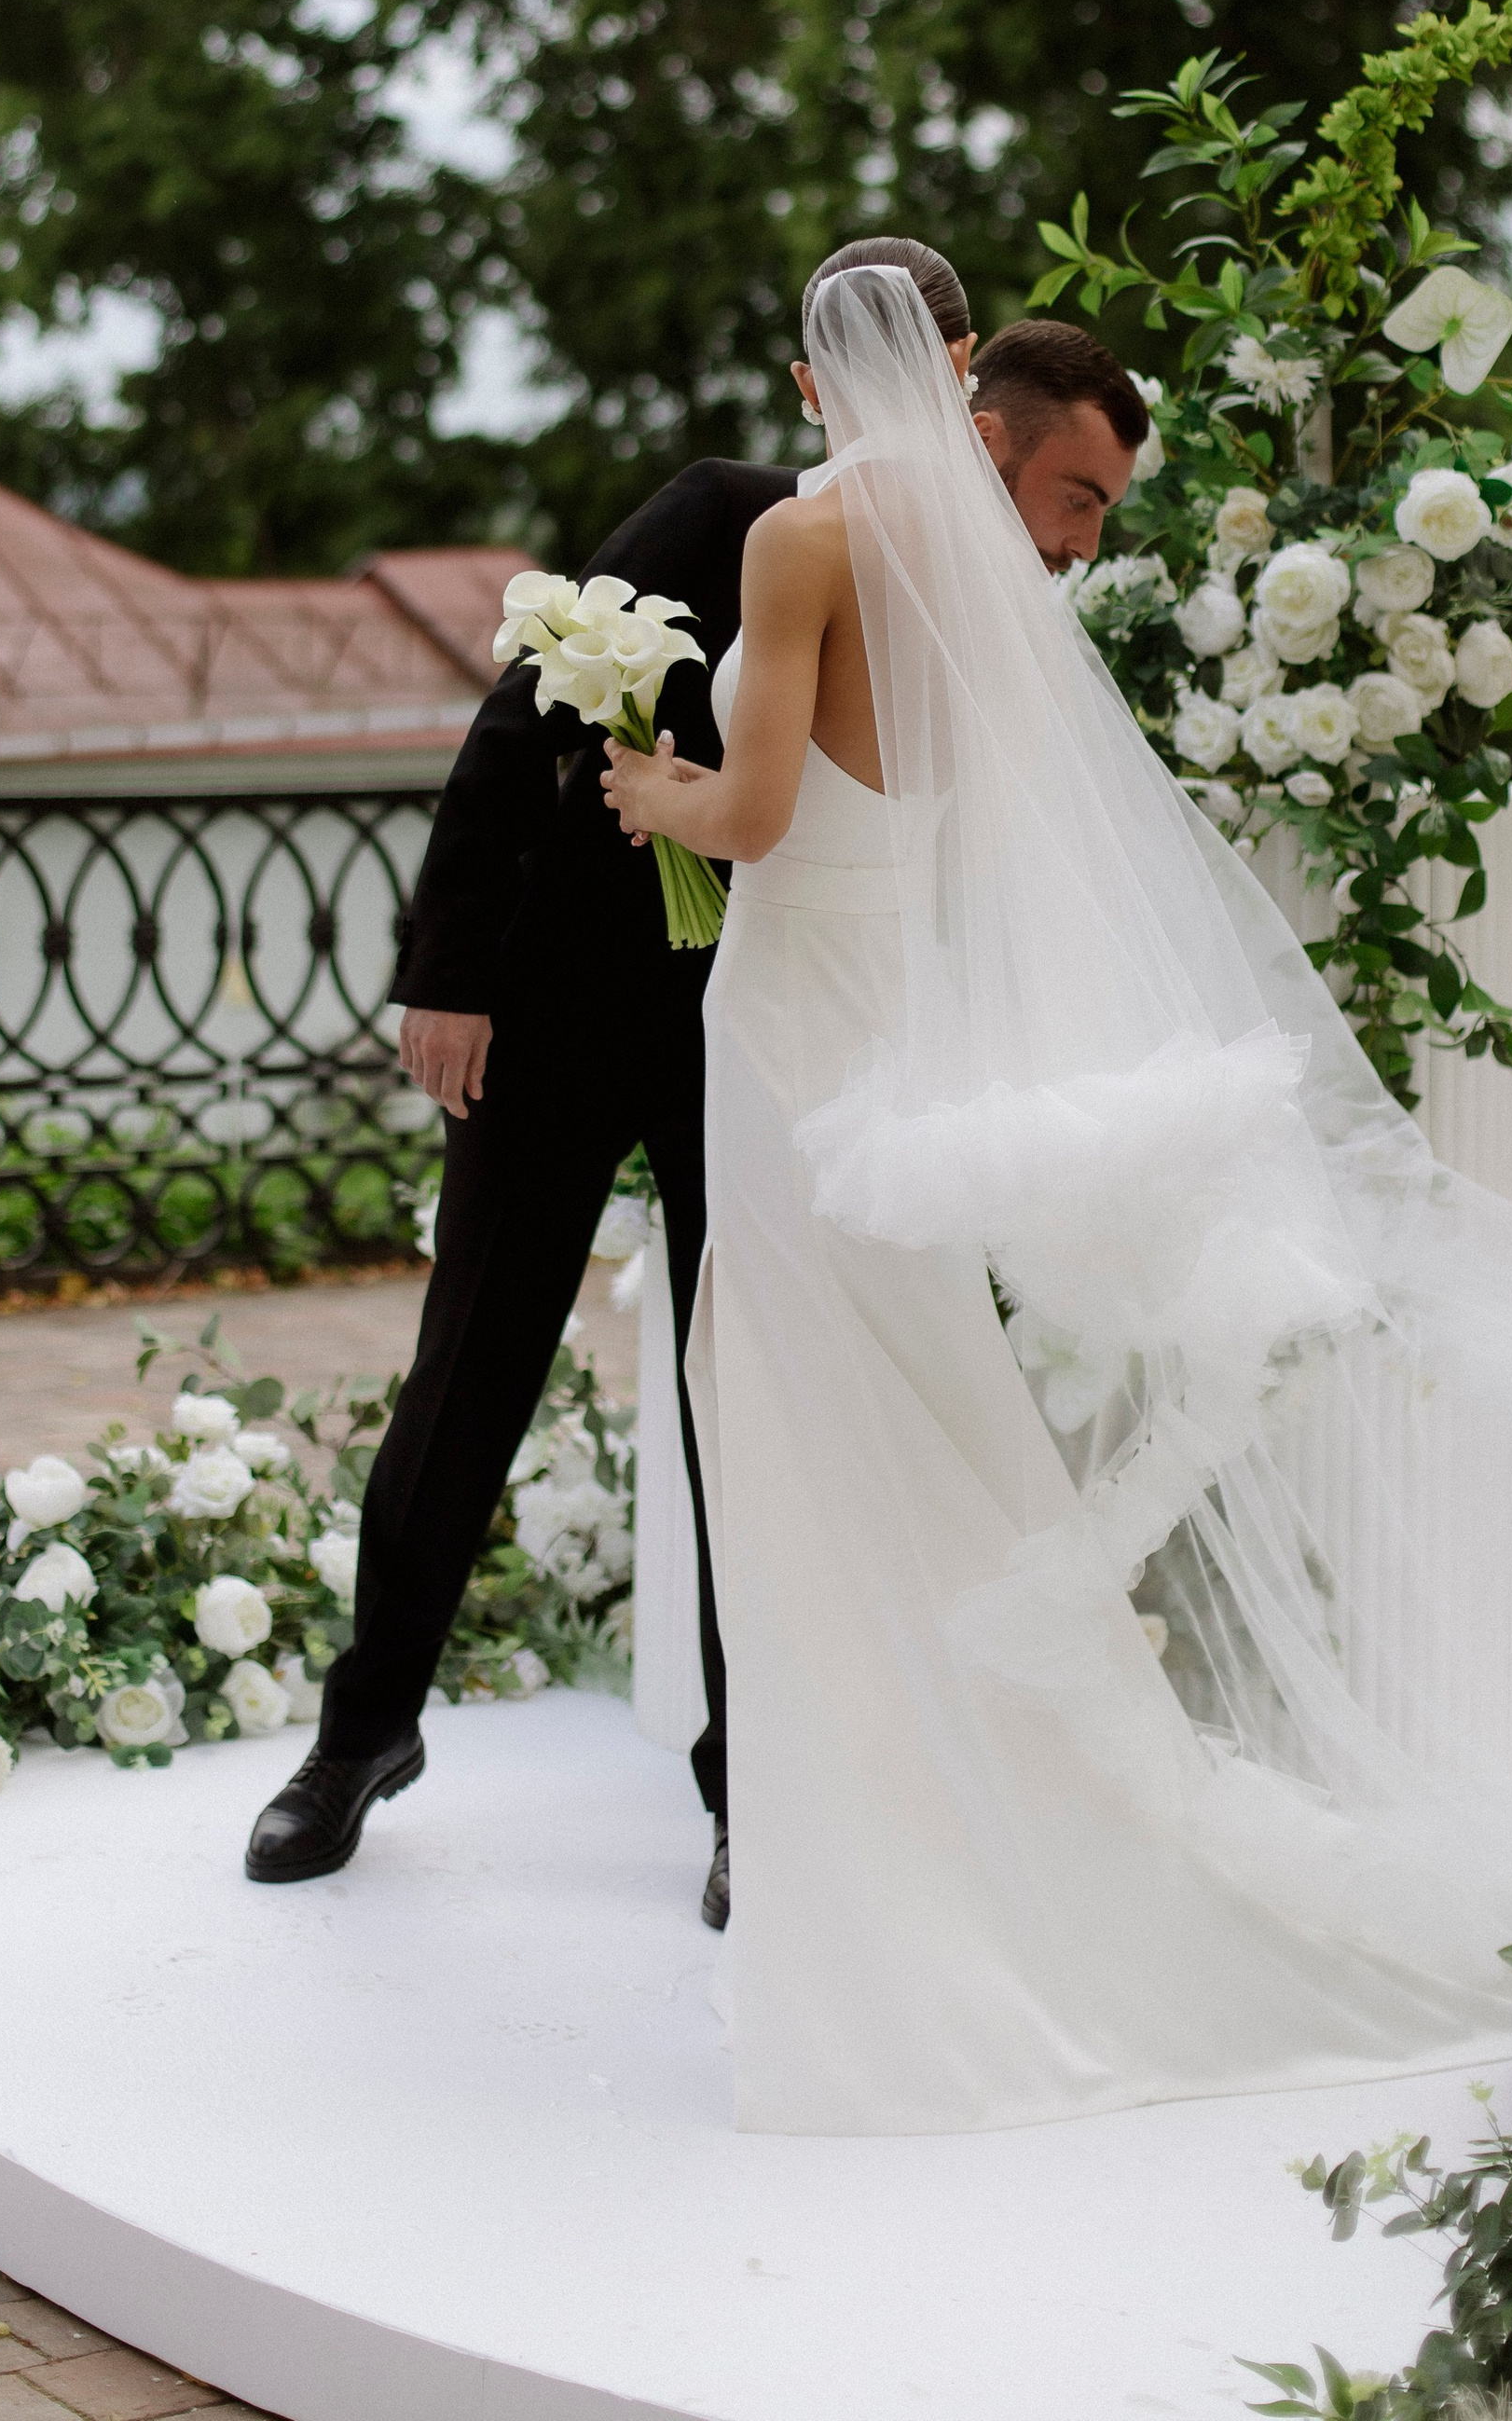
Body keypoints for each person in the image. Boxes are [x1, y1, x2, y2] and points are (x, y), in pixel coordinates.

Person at [603, 253, 1512, 2134]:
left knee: (813, 1441)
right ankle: (981, 1857)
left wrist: (649, 794)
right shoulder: (990, 577)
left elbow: (751, 820)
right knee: (933, 1431)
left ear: (825, 377)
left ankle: (878, 1909)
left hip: (786, 1028)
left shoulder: (802, 541)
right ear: (962, 370)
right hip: (887, 1022)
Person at [241, 243, 1148, 1928]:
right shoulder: (725, 511)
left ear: (968, 377)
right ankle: (360, 1736)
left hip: (776, 1035)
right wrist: (450, 971)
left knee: (748, 1399)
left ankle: (751, 1792)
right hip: (563, 1009)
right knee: (469, 1367)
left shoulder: (983, 581)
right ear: (815, 385)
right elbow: (523, 722)